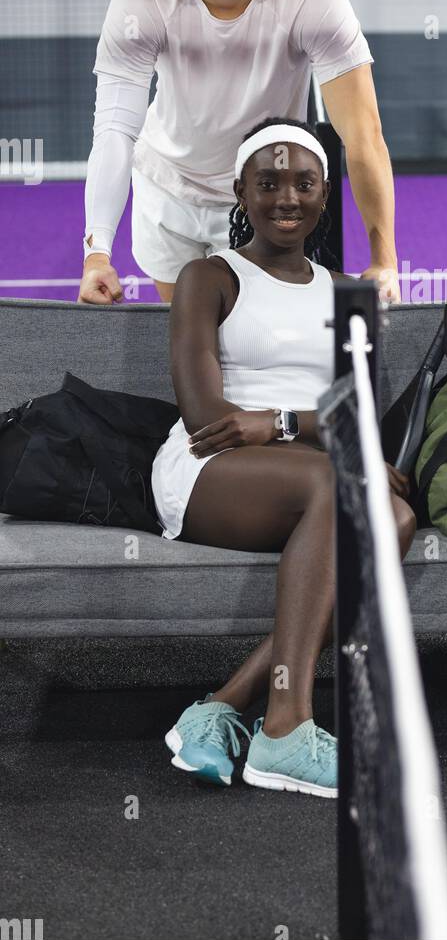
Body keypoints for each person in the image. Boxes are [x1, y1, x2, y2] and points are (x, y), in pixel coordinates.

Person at [152, 118, 416, 798]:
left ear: (325, 194)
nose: (286, 198)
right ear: (240, 189)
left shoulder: (346, 292)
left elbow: (352, 419)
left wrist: (277, 421)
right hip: (207, 472)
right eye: (267, 183)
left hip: (301, 467)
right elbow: (209, 421)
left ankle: (224, 706)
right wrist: (316, 431)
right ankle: (285, 728)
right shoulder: (208, 276)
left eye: (303, 183)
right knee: (347, 490)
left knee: (393, 518)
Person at [78, 0, 400, 307]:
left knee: (263, 341)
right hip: (169, 189)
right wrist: (97, 254)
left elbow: (364, 134)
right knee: (187, 336)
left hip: (264, 193)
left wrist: (384, 259)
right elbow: (114, 128)